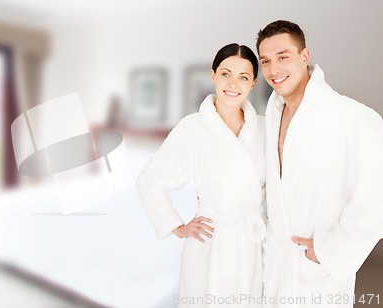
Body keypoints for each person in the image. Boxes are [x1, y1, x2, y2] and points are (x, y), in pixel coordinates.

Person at [257, 20, 383, 307]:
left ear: (304, 57)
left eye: (283, 57)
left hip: (317, 273)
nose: (274, 70)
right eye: (265, 61)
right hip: (275, 271)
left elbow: (378, 197)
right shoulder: (271, 120)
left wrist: (329, 252)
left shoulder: (352, 117)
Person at [136, 43, 266, 308]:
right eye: (226, 73)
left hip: (252, 243)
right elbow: (149, 180)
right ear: (213, 75)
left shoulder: (264, 127)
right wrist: (178, 226)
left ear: (253, 83)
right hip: (210, 243)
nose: (233, 83)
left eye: (243, 77)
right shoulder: (192, 128)